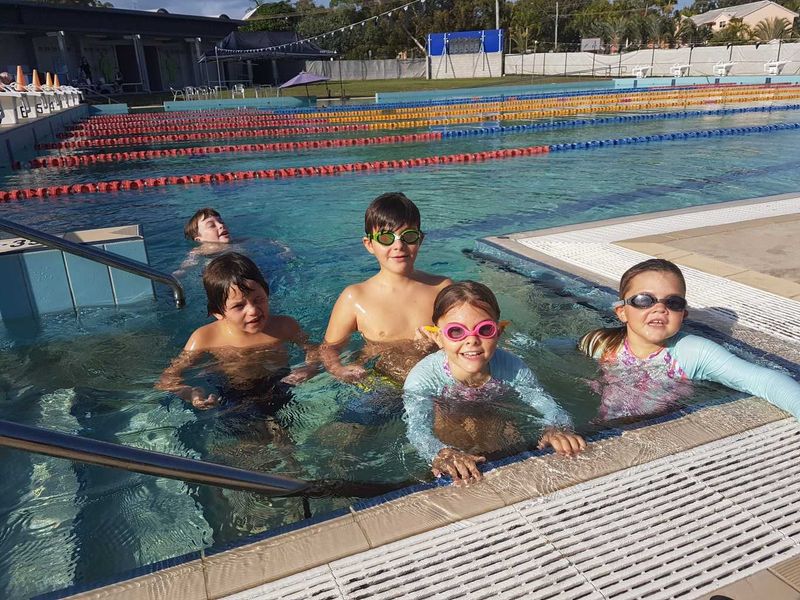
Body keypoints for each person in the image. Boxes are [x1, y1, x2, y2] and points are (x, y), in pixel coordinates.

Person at [404, 281, 586, 485]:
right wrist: (438, 452)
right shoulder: (423, 378)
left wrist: (556, 428)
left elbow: (546, 404)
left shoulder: (513, 368)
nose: (472, 340)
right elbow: (417, 430)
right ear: (438, 337)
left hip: (491, 409)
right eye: (456, 332)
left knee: (510, 445)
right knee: (452, 460)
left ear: (498, 332)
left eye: (484, 330)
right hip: (446, 411)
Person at [578, 258, 800, 422]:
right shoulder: (601, 343)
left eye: (672, 302)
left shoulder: (692, 352)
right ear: (622, 312)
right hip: (602, 428)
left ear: (683, 314)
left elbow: (765, 381)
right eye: (644, 300)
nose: (660, 308)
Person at [158, 252, 318, 410]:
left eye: (258, 300)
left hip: (281, 382)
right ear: (218, 313)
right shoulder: (204, 338)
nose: (253, 311)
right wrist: (190, 392)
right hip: (231, 390)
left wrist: (309, 368)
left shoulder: (284, 326)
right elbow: (167, 378)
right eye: (239, 306)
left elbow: (313, 350)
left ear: (267, 294)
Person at [321, 192, 452, 383]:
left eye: (408, 236)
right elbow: (329, 348)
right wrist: (339, 369)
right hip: (381, 384)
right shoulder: (355, 297)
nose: (399, 245)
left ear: (420, 240)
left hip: (436, 381)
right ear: (369, 244)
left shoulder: (442, 288)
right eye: (385, 239)